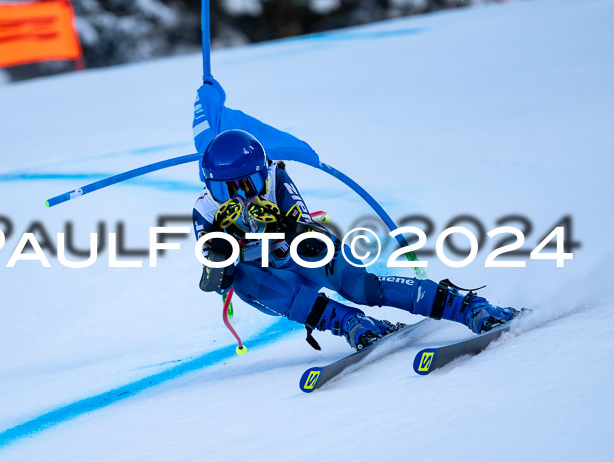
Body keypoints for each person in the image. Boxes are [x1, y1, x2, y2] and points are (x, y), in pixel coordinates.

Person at [192, 129, 516, 350]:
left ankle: (467, 307)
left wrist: (282, 223)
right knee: (252, 284)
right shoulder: (206, 210)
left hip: (299, 251)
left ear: (262, 172)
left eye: (248, 185)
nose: (241, 198)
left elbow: (311, 240)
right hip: (264, 272)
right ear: (209, 187)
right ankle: (350, 323)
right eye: (226, 190)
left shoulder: (276, 178)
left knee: (360, 286)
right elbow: (214, 284)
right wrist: (223, 248)